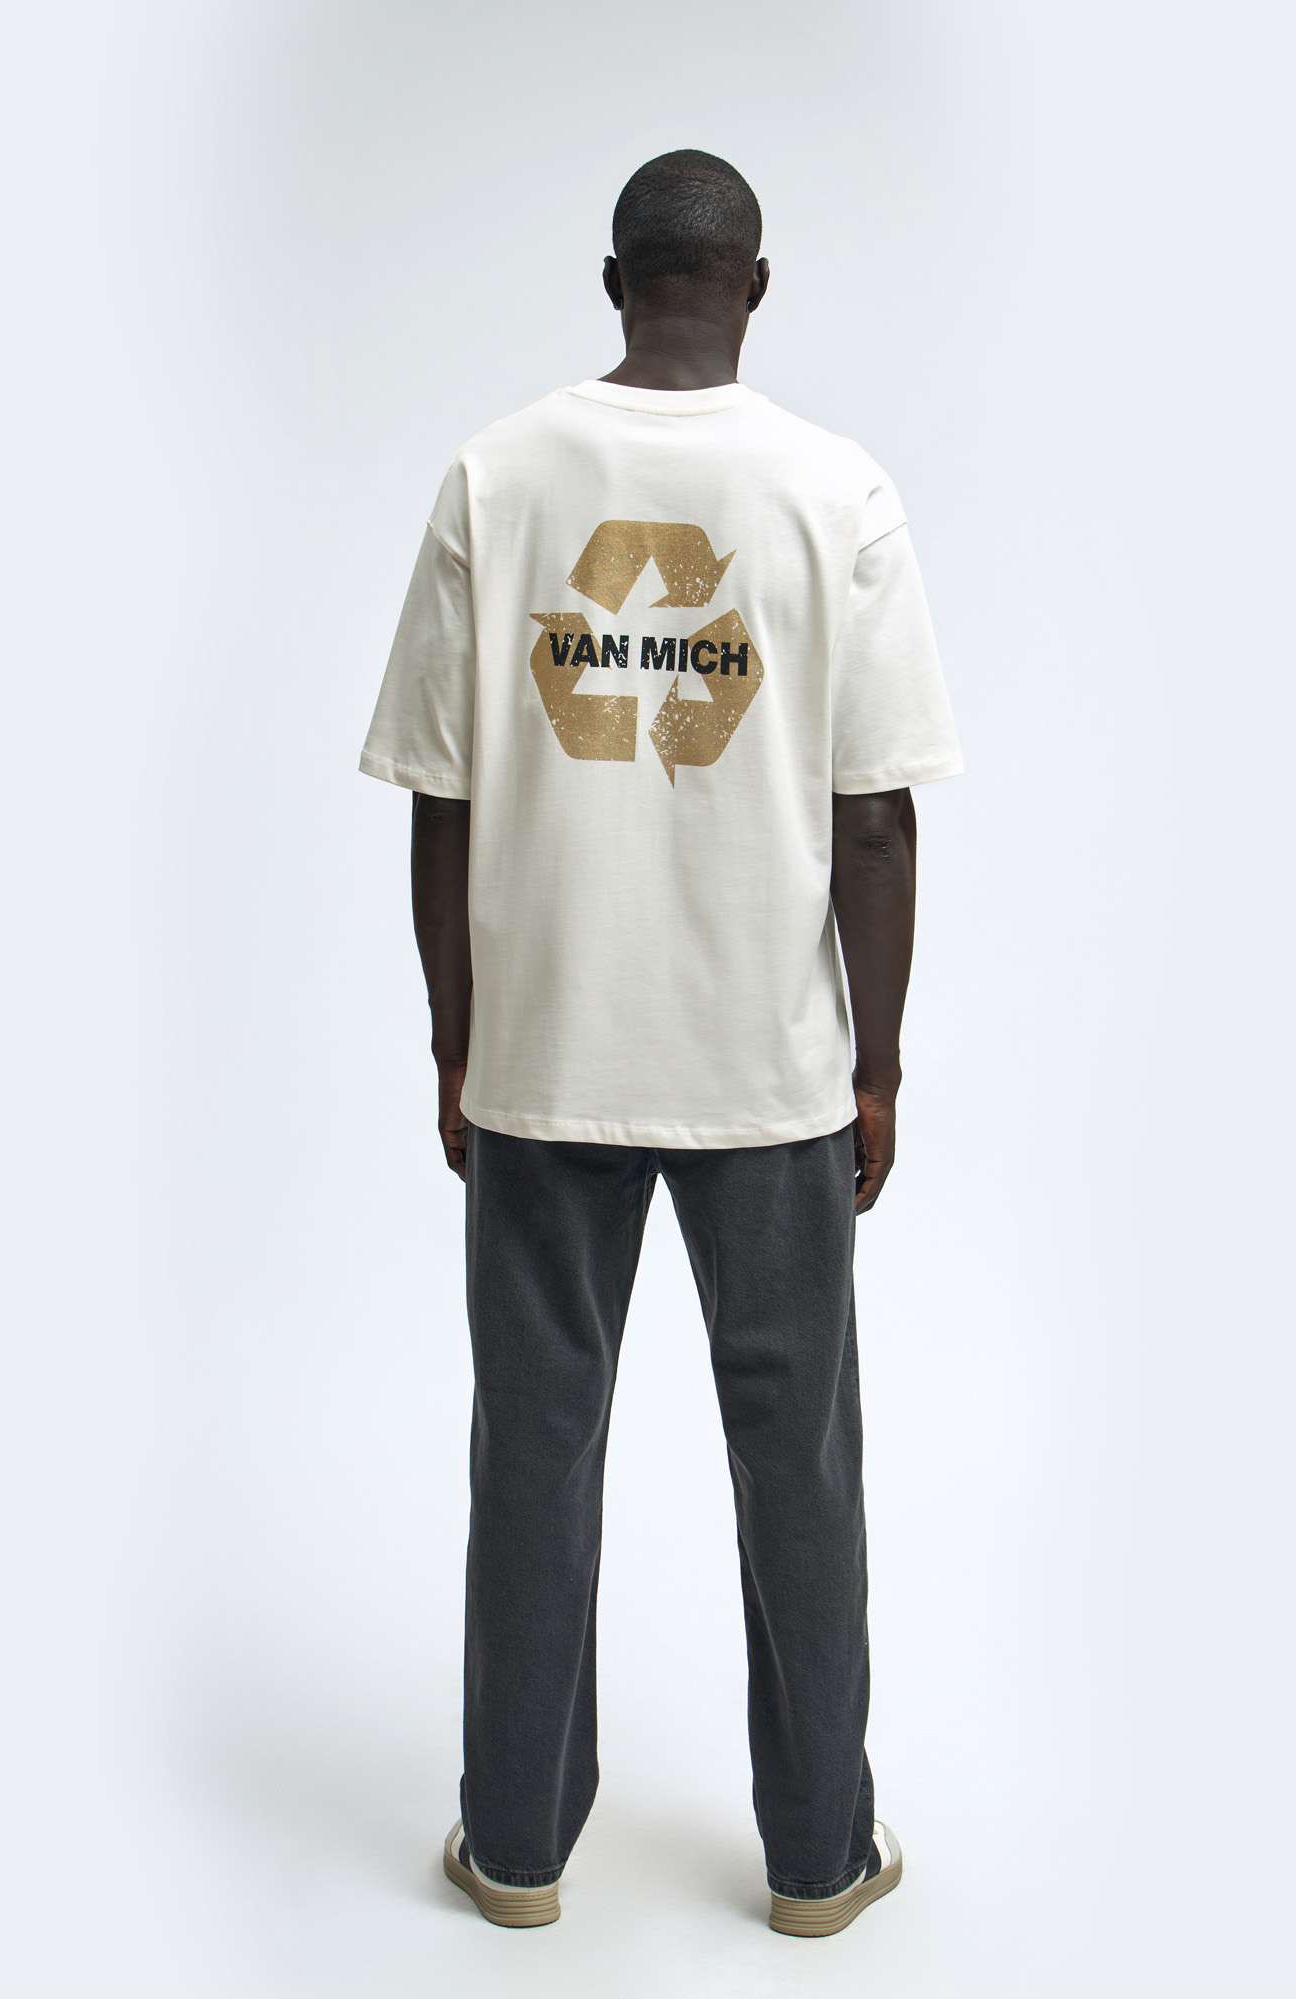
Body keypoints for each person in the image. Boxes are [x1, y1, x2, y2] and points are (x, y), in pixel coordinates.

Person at [359, 149, 962, 1939]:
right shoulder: (834, 490)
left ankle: (515, 1851)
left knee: (531, 1455)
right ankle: (818, 1861)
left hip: (544, 1060)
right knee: (800, 1466)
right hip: (766, 1072)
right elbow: (874, 818)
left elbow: (442, 801)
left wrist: (457, 1039)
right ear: (752, 286)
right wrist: (875, 1067)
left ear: (611, 278)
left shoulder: (496, 476)